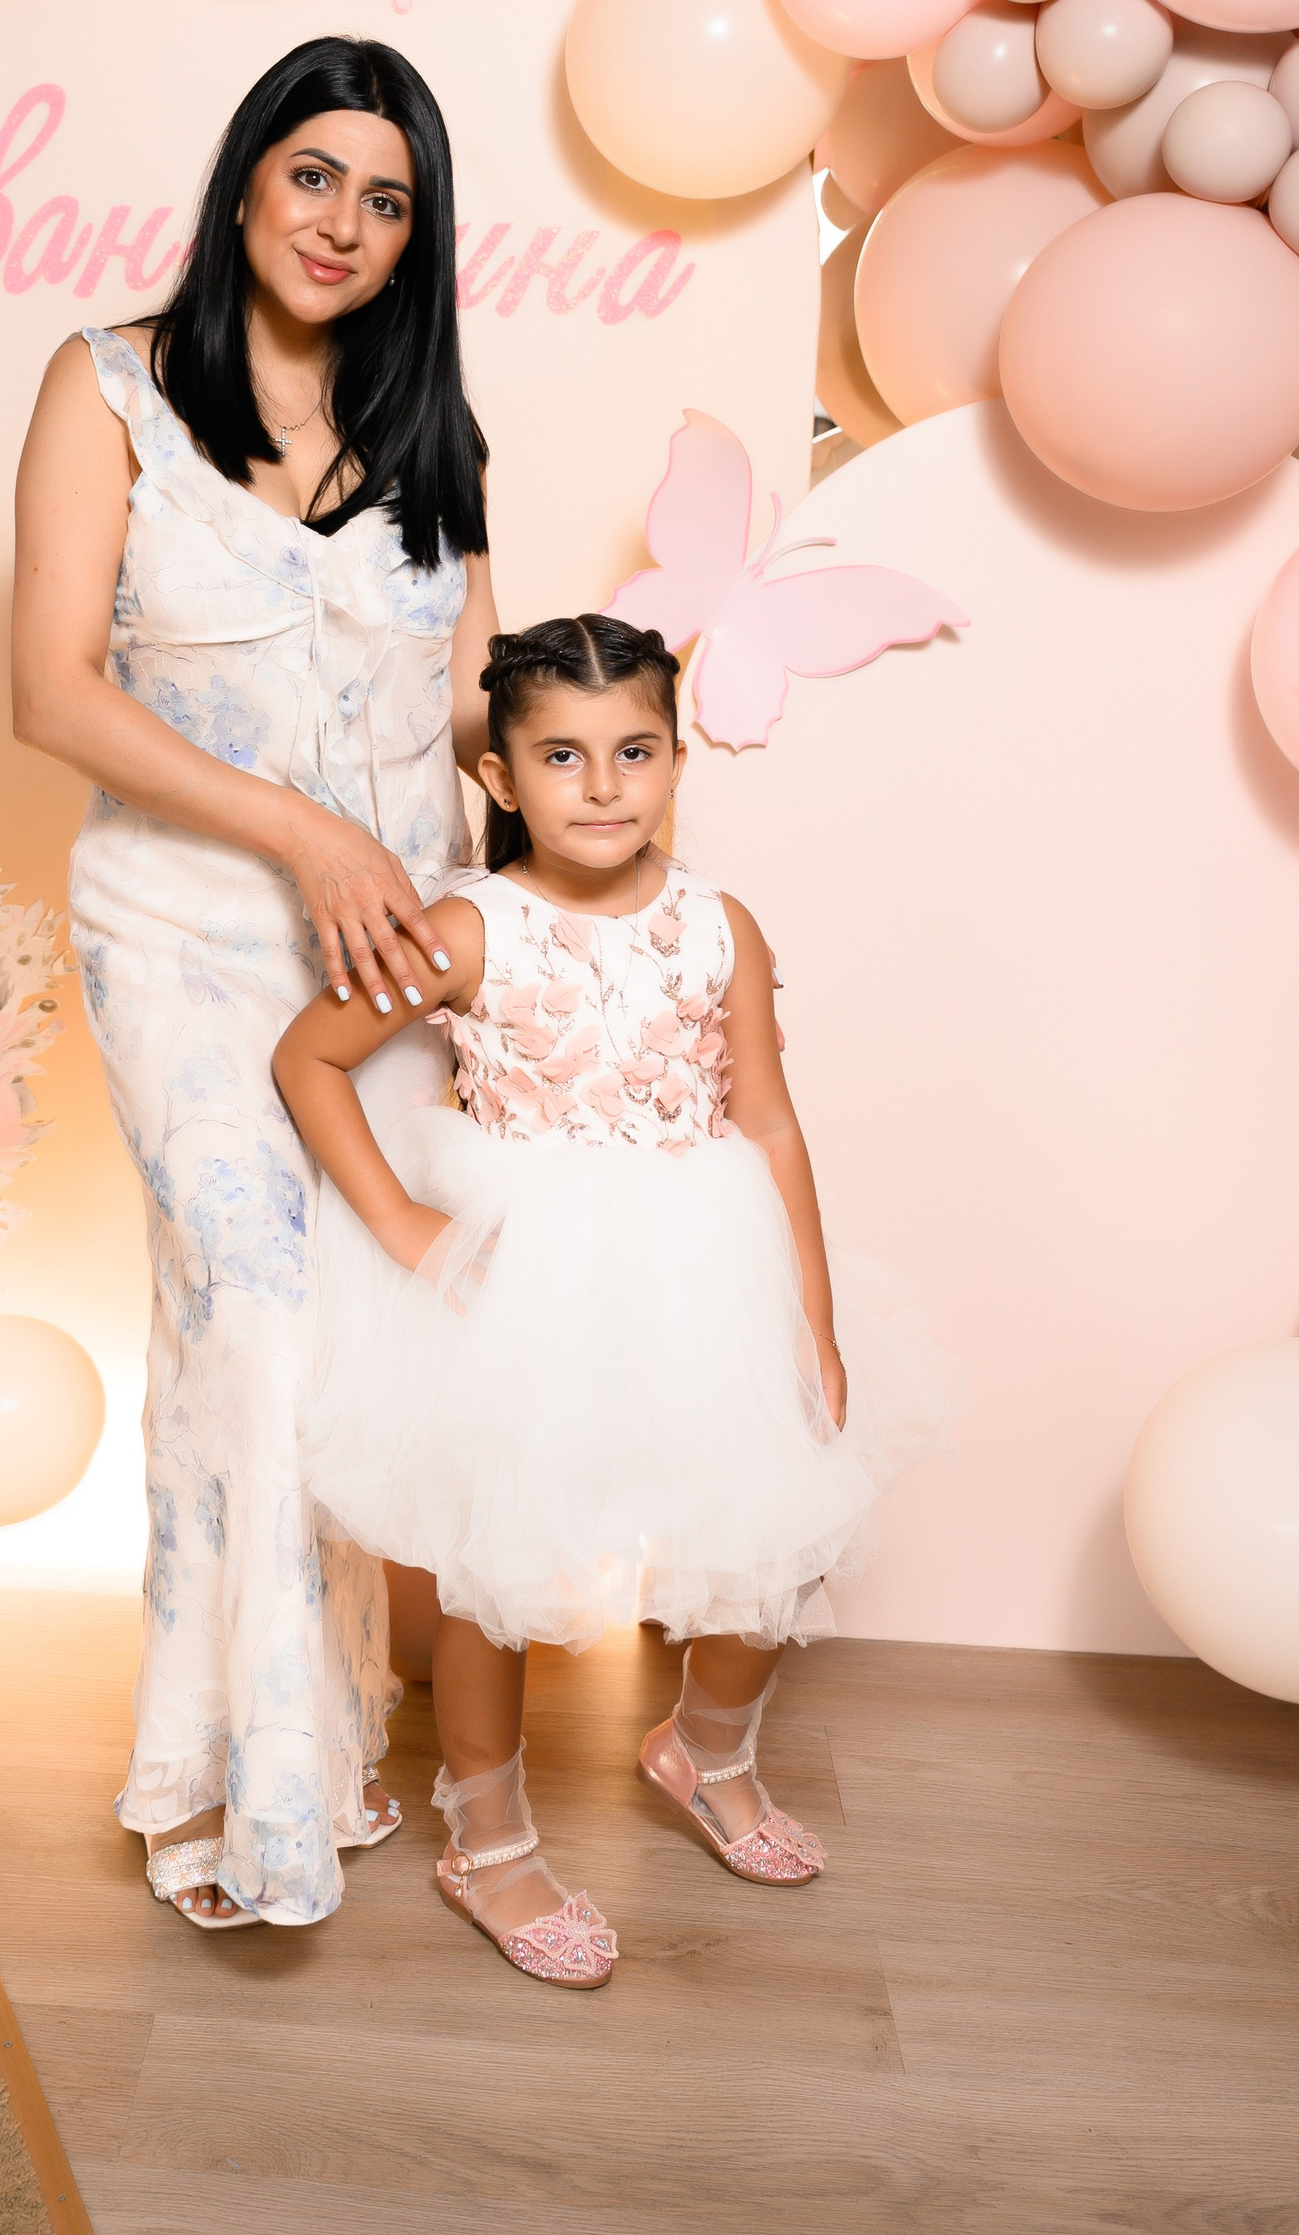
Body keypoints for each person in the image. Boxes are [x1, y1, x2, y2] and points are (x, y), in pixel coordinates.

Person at [9, 36, 498, 1930]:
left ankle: (285, 1742)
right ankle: (236, 1791)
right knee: (259, 1319)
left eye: (388, 200)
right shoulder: (107, 388)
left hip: (392, 968)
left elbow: (470, 709)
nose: (343, 224)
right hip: (188, 936)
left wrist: (604, 756)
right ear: (243, 185)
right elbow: (52, 691)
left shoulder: (437, 434)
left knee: (338, 1335)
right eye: (314, 176)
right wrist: (303, 832)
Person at [276, 614, 947, 1987]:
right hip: (533, 1278)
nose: (602, 785)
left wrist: (812, 1320)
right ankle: (488, 1835)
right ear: (504, 775)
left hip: (707, 1260)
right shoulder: (472, 926)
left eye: (634, 751)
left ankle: (706, 1751)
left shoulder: (719, 925)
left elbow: (768, 1120)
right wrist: (401, 1221)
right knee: (500, 1558)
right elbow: (309, 1058)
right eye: (563, 756)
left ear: (678, 759)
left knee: (780, 1517)